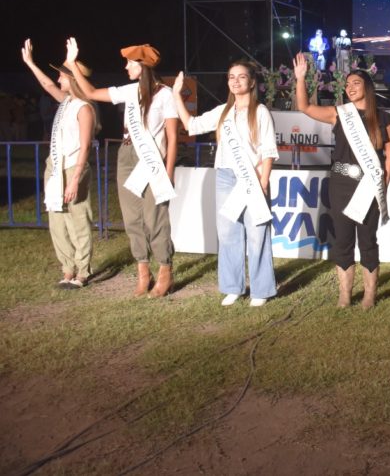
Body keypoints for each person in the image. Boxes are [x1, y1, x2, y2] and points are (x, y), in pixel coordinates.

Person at [65, 38, 179, 298]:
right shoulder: (130, 91)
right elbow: (91, 93)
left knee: (155, 216)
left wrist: (169, 172)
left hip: (152, 159)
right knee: (131, 217)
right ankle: (143, 271)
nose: (126, 67)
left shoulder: (165, 94)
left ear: (142, 65)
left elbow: (173, 137)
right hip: (127, 154)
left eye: (129, 63)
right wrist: (72, 64)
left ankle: (165, 271)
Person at [172, 61, 279, 307]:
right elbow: (191, 125)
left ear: (252, 82)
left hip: (252, 176)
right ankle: (232, 287)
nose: (235, 81)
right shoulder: (223, 112)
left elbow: (268, 149)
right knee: (228, 233)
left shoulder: (260, 111)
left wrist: (263, 181)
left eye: (241, 77)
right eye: (231, 77)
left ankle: (261, 290)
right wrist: (177, 95)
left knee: (257, 233)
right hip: (225, 177)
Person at [293, 52, 390, 309]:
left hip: (369, 184)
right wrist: (300, 78)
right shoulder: (339, 114)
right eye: (347, 84)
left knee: (368, 240)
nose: (350, 88)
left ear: (367, 87)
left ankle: (369, 295)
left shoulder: (383, 118)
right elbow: (304, 107)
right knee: (342, 239)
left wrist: (383, 184)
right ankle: (345, 295)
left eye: (356, 83)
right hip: (340, 184)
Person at [21, 39, 98, 288]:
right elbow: (47, 84)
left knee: (78, 219)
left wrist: (75, 179)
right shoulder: (65, 102)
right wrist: (30, 63)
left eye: (62, 76)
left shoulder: (84, 108)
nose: (58, 79)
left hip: (74, 167)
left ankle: (83, 270)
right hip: (55, 167)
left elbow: (85, 146)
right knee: (57, 219)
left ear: (72, 79)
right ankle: (67, 268)